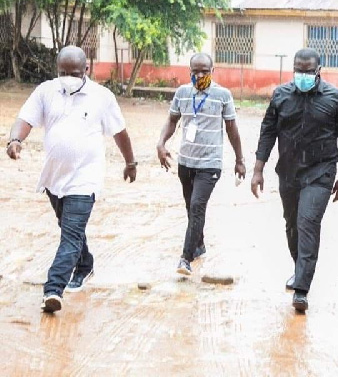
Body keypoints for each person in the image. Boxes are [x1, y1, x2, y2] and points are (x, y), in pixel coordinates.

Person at [6, 45, 137, 313]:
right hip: (54, 178)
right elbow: (25, 118)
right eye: (63, 72)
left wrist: (130, 162)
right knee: (70, 230)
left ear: (86, 70)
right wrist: (15, 140)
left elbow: (119, 132)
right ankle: (85, 264)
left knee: (70, 234)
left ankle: (53, 289)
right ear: (57, 70)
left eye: (74, 73)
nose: (68, 77)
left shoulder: (102, 97)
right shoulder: (46, 91)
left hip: (85, 178)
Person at [251, 48, 338, 312]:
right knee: (292, 225)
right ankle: (301, 268)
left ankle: (301, 289)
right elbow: (267, 132)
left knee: (307, 221)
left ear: (318, 71)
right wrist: (258, 169)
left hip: (321, 171)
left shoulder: (336, 99)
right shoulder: (281, 95)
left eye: (308, 71)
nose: (303, 75)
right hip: (288, 171)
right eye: (299, 70)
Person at [157, 53, 245, 276]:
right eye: (195, 71)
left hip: (210, 163)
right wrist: (161, 143)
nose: (200, 75)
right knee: (191, 208)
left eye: (205, 71)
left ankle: (185, 258)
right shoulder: (182, 93)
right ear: (189, 72)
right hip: (185, 162)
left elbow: (232, 129)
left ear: (213, 71)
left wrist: (240, 160)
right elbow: (172, 120)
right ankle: (200, 246)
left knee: (197, 206)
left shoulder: (223, 95)